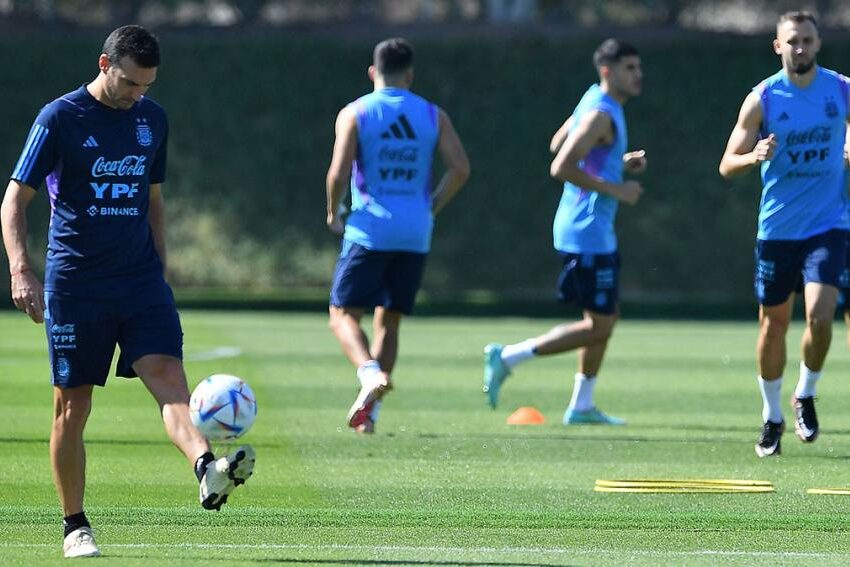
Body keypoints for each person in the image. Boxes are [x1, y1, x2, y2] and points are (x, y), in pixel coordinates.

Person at [0, 25, 255, 558]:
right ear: (104, 64)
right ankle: (75, 525)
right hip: (77, 283)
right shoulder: (59, 119)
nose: (139, 94)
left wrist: (159, 270)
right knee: (73, 406)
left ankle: (207, 468)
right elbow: (13, 202)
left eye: (147, 85)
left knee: (168, 378)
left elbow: (153, 200)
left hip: (140, 281)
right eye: (131, 83)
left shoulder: (152, 120)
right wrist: (22, 269)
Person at [482, 38, 646, 425]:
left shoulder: (594, 102)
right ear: (607, 72)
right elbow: (561, 164)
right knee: (600, 324)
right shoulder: (600, 113)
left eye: (638, 68)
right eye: (629, 69)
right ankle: (508, 356)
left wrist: (617, 164)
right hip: (585, 229)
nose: (638, 75)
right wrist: (617, 188)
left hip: (593, 228)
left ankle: (582, 405)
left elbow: (561, 142)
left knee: (604, 319)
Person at [718, 11, 850, 457]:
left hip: (828, 225)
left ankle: (806, 393)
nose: (801, 48)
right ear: (778, 46)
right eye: (792, 41)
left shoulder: (841, 89)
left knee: (820, 314)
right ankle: (771, 416)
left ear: (818, 44)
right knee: (773, 325)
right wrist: (754, 155)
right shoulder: (763, 99)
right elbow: (726, 163)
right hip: (777, 229)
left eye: (807, 40)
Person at [325, 37, 470, 434]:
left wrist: (332, 210)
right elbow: (460, 168)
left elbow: (338, 172)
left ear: (373, 72)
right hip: (416, 231)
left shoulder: (355, 112)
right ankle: (369, 414)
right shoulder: (432, 114)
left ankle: (369, 373)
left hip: (370, 229)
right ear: (410, 75)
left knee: (341, 315)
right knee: (388, 321)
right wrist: (431, 207)